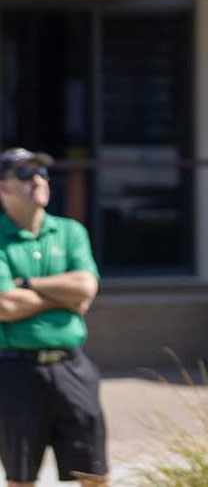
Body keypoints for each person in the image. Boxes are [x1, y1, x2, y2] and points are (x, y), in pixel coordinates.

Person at [0, 148, 108, 487]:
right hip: (16, 371)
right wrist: (62, 299)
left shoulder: (70, 231)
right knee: (21, 478)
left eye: (42, 173)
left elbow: (86, 286)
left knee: (94, 473)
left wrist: (27, 285)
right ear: (3, 187)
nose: (37, 180)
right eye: (24, 174)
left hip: (72, 366)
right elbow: (4, 306)